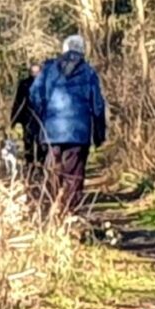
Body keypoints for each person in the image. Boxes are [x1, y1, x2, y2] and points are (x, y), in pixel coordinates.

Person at [30, 35, 107, 213]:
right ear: (82, 51)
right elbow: (98, 105)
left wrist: (42, 117)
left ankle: (52, 210)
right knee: (74, 174)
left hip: (51, 131)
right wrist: (99, 134)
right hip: (79, 133)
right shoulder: (89, 72)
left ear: (64, 49)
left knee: (53, 171)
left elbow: (34, 95)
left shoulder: (48, 70)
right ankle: (70, 213)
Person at [10, 62, 45, 165]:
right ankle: (29, 165)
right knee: (28, 142)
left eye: (37, 72)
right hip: (28, 118)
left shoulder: (45, 84)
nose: (35, 74)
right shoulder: (24, 84)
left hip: (41, 119)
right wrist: (14, 120)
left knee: (41, 144)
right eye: (33, 71)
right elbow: (18, 102)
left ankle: (41, 165)